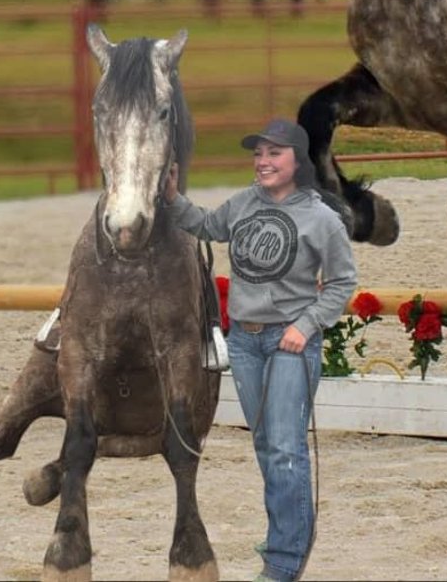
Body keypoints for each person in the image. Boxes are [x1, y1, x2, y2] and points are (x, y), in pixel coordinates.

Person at [163, 118, 357, 582]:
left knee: (287, 448)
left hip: (289, 342)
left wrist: (305, 326)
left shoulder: (321, 218)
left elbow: (344, 283)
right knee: (267, 445)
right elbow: (208, 226)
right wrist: (172, 198)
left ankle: (284, 561)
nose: (263, 161)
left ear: (297, 161)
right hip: (245, 342)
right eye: (258, 154)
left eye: (274, 153)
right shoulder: (244, 202)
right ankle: (288, 536)